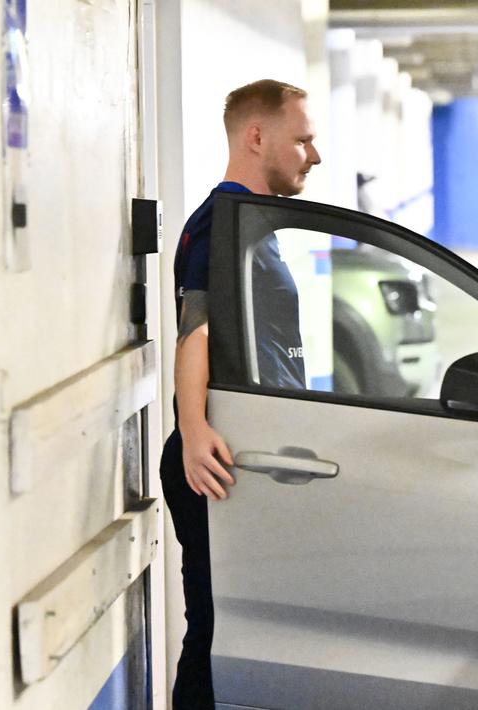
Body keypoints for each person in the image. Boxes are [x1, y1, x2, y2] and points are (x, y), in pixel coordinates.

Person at [160, 78, 321, 709]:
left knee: (233, 630)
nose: (315, 154)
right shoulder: (221, 225)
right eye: (303, 139)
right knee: (214, 632)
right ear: (258, 136)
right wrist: (194, 428)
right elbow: (194, 329)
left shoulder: (250, 227)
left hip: (244, 450)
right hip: (219, 460)